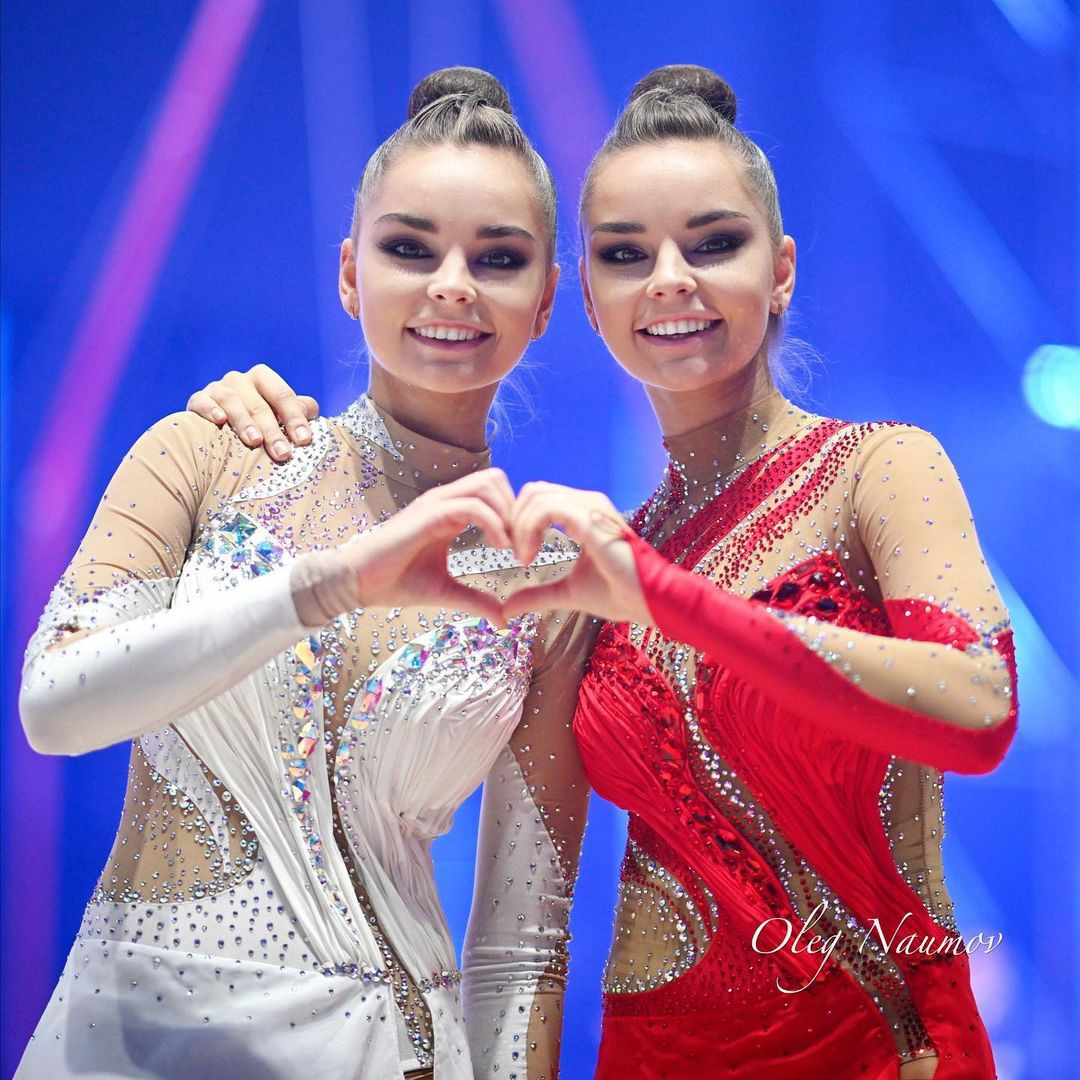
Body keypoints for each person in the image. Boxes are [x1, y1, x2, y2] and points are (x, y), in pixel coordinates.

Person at [198, 66, 1017, 1079]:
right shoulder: (597, 571)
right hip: (650, 1056)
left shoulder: (876, 471)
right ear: (585, 296)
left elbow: (980, 709)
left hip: (880, 1047)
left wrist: (662, 597)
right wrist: (254, 437)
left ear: (782, 270)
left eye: (713, 244)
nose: (669, 279)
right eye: (626, 253)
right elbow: (529, 930)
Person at [18, 68, 593, 1080]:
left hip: (401, 1052)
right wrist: (326, 585)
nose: (452, 284)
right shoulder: (211, 454)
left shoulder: (545, 580)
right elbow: (54, 711)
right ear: (349, 272)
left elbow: (521, 944)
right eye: (409, 248)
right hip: (132, 1043)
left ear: (546, 299)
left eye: (498, 258)